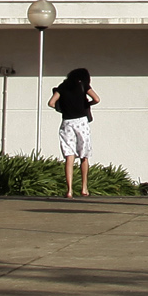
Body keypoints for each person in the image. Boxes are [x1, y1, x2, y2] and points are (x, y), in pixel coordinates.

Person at [50, 67, 99, 198]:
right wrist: (87, 104)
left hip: (67, 122)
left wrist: (64, 107)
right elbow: (97, 99)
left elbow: (51, 103)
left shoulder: (63, 86)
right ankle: (84, 188)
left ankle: (69, 190)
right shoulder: (83, 85)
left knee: (69, 156)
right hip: (81, 122)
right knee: (84, 155)